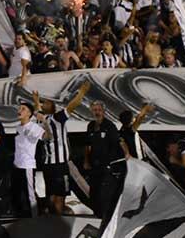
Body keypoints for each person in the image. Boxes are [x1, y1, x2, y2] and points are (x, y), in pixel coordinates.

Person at [35, 81, 91, 215]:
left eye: (46, 102)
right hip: (59, 165)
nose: (44, 104)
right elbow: (72, 106)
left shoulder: (40, 119)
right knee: (58, 197)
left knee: (52, 196)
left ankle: (54, 221)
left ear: (53, 107)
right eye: (44, 102)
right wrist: (82, 92)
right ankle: (58, 223)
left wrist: (36, 100)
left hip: (48, 165)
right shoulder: (56, 118)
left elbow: (38, 109)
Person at [83, 100, 128, 219]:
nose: (97, 112)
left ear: (103, 111)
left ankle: (105, 217)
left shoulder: (109, 126)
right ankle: (96, 215)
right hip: (94, 165)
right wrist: (86, 161)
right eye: (94, 110)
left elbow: (119, 141)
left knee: (105, 193)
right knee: (94, 191)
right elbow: (87, 145)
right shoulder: (90, 125)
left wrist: (127, 154)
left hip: (107, 164)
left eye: (99, 110)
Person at [11, 102, 50, 218]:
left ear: (29, 113)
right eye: (19, 108)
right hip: (17, 166)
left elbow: (47, 137)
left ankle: (35, 218)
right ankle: (20, 217)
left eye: (23, 109)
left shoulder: (33, 127)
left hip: (27, 166)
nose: (19, 111)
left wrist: (44, 122)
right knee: (17, 194)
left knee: (30, 194)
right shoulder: (18, 127)